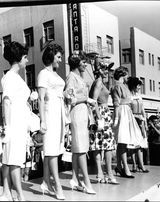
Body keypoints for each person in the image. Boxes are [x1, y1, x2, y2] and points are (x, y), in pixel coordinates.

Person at [0, 41, 30, 201]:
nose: (26, 60)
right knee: (15, 160)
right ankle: (20, 194)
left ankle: (6, 192)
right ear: (19, 59)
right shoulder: (10, 77)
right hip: (14, 124)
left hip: (19, 121)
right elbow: (6, 101)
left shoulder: (16, 77)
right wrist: (8, 127)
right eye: (25, 57)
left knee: (8, 158)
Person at [64, 50, 96, 194]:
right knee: (81, 148)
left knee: (79, 148)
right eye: (83, 62)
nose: (85, 65)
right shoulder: (71, 77)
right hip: (76, 113)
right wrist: (86, 99)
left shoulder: (78, 77)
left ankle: (75, 179)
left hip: (82, 113)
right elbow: (69, 99)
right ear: (77, 63)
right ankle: (86, 182)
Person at [37, 43, 66, 200]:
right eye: (58, 57)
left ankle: (45, 182)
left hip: (59, 112)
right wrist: (42, 120)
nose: (60, 60)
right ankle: (57, 185)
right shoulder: (43, 74)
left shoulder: (55, 75)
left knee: (53, 149)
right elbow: (40, 99)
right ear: (51, 56)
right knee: (52, 150)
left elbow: (59, 92)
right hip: (49, 114)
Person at [111, 66, 145, 178]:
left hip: (127, 113)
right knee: (122, 141)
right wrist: (116, 119)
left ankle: (120, 167)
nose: (127, 77)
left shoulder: (124, 87)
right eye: (126, 75)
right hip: (122, 112)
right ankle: (124, 167)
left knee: (124, 141)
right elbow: (116, 103)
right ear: (122, 75)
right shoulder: (116, 86)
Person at [89, 57, 119, 184]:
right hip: (101, 114)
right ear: (98, 70)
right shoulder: (98, 83)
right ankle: (106, 173)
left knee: (104, 144)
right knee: (105, 145)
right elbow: (93, 101)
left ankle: (102, 173)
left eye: (107, 69)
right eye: (104, 69)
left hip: (103, 113)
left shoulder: (100, 82)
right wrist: (99, 117)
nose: (107, 71)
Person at [126, 77, 149, 173]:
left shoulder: (139, 96)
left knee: (140, 144)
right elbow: (128, 110)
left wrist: (145, 123)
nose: (139, 87)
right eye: (138, 85)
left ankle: (141, 165)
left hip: (141, 121)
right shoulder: (128, 96)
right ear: (133, 85)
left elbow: (143, 109)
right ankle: (134, 164)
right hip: (132, 121)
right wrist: (136, 117)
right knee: (133, 144)